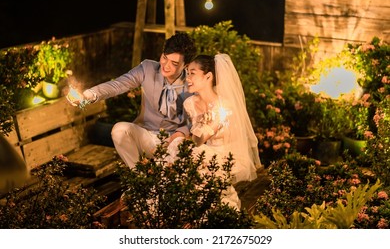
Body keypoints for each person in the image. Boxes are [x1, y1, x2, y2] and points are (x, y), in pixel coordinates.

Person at [67, 32, 197, 169]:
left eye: (174, 63)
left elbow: (194, 119)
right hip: (147, 136)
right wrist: (89, 95)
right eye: (164, 57)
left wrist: (179, 135)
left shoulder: (193, 83)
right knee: (119, 130)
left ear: (186, 65)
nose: (166, 65)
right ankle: (138, 179)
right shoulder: (148, 68)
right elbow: (118, 84)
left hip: (175, 141)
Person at [167, 53, 262, 208]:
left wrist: (208, 123)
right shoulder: (190, 103)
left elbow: (201, 139)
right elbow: (198, 141)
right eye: (186, 73)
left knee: (193, 158)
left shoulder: (225, 105)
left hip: (228, 157)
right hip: (205, 151)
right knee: (178, 145)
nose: (187, 78)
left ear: (208, 76)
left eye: (192, 73)